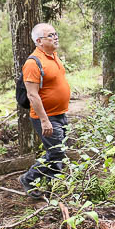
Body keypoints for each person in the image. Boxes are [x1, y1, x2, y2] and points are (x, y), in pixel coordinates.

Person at [19, 22, 72, 199]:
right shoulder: (33, 63)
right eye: (51, 35)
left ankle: (52, 188)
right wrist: (44, 120)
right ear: (39, 41)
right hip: (46, 117)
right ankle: (29, 178)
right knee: (57, 152)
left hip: (60, 114)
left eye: (55, 34)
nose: (55, 37)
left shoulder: (53, 56)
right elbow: (32, 95)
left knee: (58, 152)